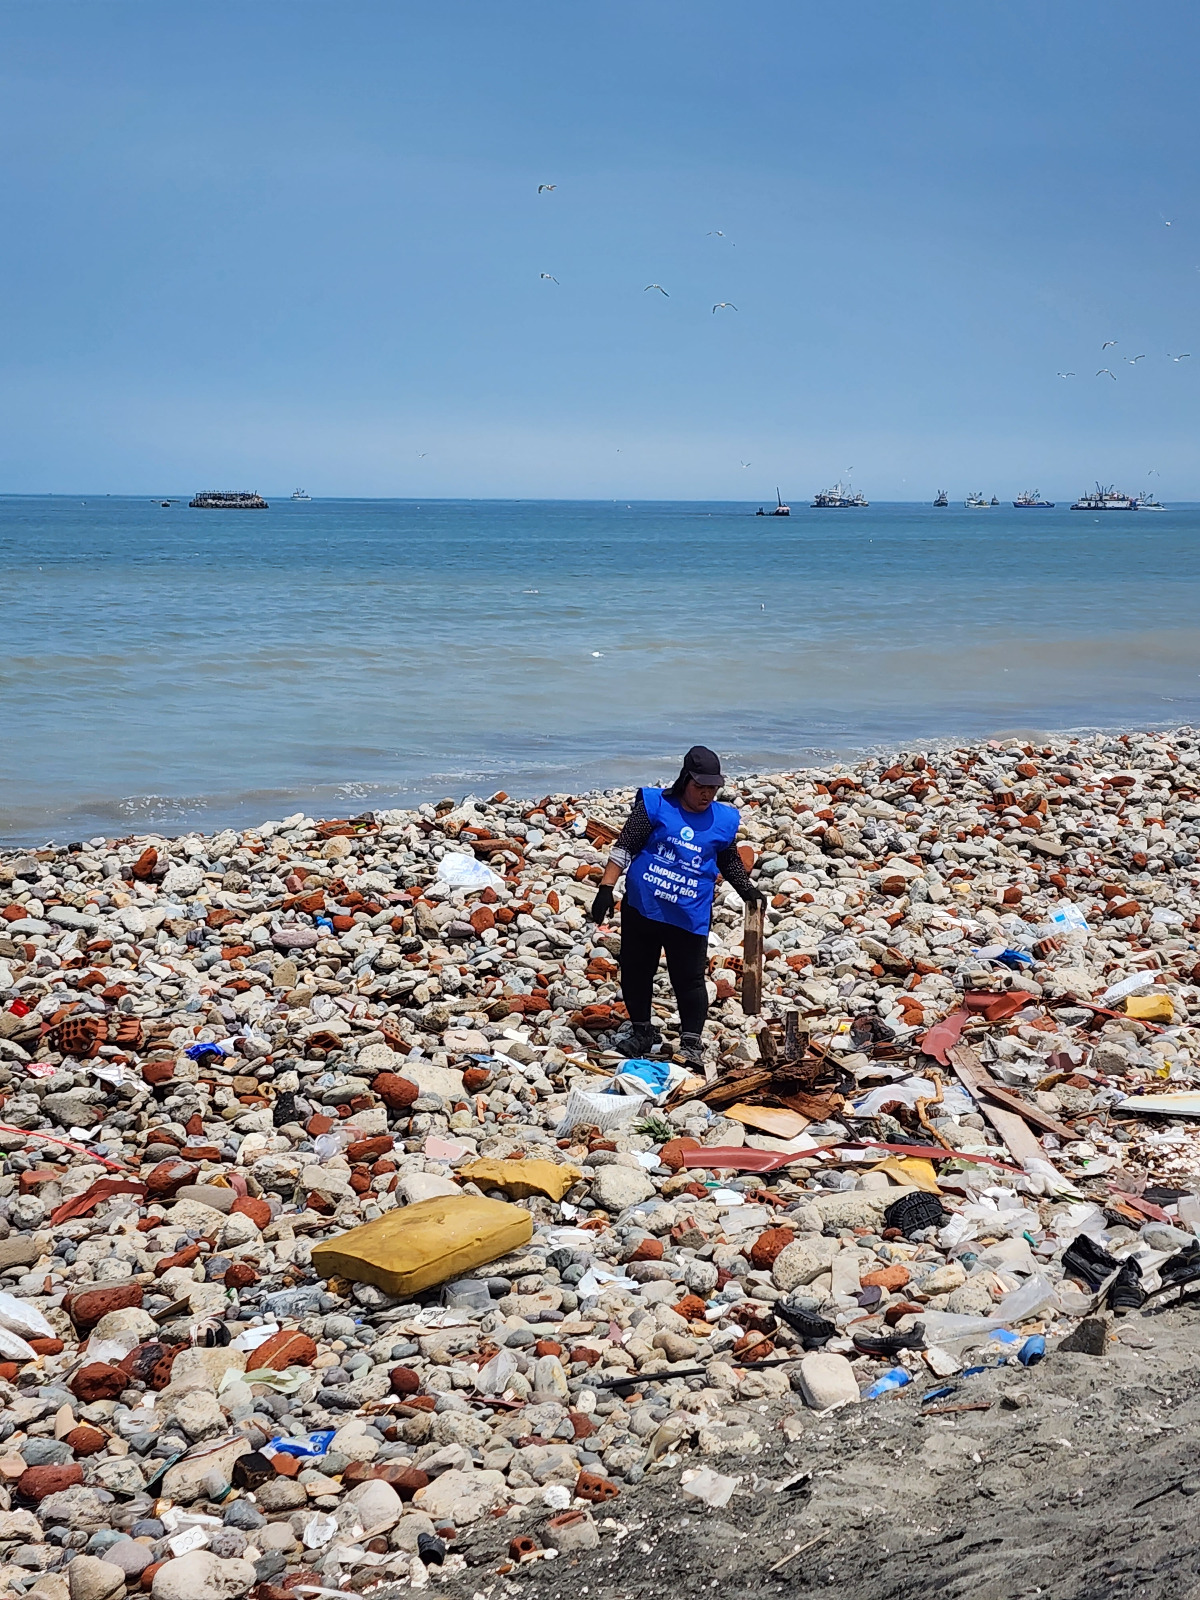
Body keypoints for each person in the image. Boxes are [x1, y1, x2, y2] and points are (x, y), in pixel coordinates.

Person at [587, 744, 764, 1066]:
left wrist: (747, 890)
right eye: (700, 787)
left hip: (689, 912)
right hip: (644, 907)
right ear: (685, 780)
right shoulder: (656, 806)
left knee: (690, 978)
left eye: (713, 788)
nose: (707, 794)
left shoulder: (722, 820)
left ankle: (691, 1042)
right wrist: (605, 888)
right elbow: (625, 847)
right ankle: (642, 1031)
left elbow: (728, 859)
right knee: (637, 970)